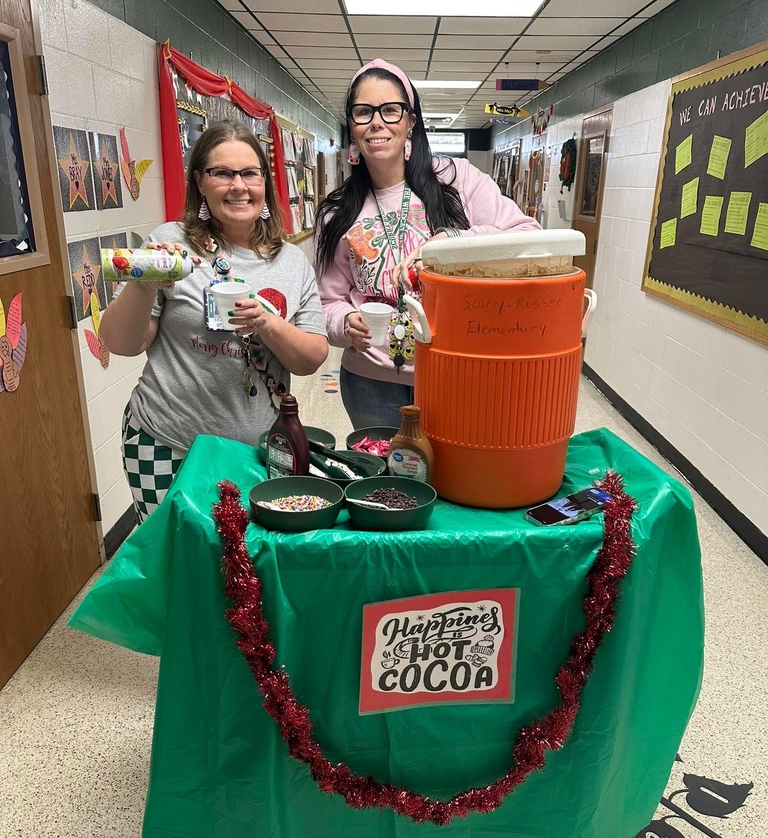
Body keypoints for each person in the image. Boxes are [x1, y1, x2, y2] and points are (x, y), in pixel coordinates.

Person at [100, 121, 328, 523]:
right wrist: (146, 283)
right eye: (222, 173)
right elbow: (121, 343)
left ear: (265, 182)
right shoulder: (170, 244)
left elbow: (311, 359)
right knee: (176, 562)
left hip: (258, 449)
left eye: (249, 173)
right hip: (166, 442)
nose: (238, 185)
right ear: (200, 183)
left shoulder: (291, 262)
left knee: (246, 564)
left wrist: (267, 323)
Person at [313, 58, 540, 429]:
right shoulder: (335, 212)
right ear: (351, 128)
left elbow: (528, 236)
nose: (377, 123)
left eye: (390, 110)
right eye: (363, 112)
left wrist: (449, 242)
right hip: (372, 381)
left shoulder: (456, 178)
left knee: (458, 480)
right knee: (388, 483)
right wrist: (344, 323)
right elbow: (328, 300)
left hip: (459, 371)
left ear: (410, 122)